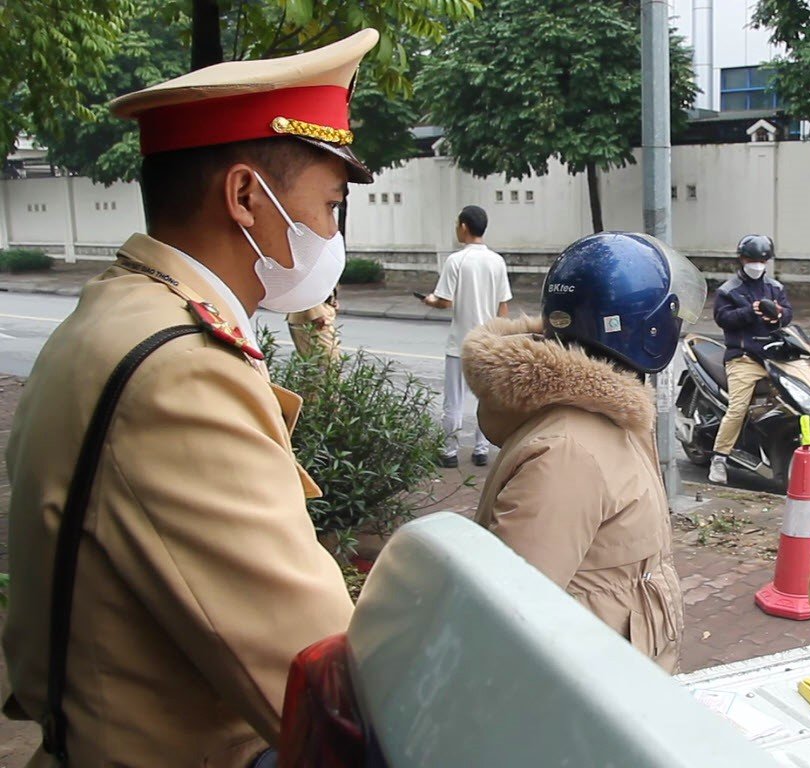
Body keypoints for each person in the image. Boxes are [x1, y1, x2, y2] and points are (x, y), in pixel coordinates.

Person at [2, 31, 379, 766]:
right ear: (245, 196)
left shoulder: (113, 311)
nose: (333, 234)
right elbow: (320, 683)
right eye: (332, 205)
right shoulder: (184, 370)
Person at [461, 232, 706, 672]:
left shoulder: (612, 417)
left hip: (620, 686)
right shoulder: (570, 454)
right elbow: (506, 625)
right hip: (593, 702)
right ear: (645, 327)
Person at [423, 205, 511, 468]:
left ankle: (449, 452)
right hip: (487, 343)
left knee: (454, 401)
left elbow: (445, 302)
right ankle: (481, 449)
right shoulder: (497, 261)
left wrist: (430, 300)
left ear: (463, 226)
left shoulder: (456, 261)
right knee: (486, 399)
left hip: (459, 345)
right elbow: (503, 306)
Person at [708, 234, 793, 485]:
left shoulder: (775, 288)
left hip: (772, 357)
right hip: (743, 359)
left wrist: (778, 315)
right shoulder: (729, 290)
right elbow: (723, 319)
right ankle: (719, 458)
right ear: (742, 259)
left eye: (762, 260)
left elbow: (787, 314)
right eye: (752, 260)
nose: (757, 265)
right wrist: (749, 311)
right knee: (737, 409)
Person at [286, 289, 341, 360]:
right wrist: (317, 314)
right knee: (326, 358)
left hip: (317, 315)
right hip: (311, 320)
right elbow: (305, 290)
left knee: (328, 356)